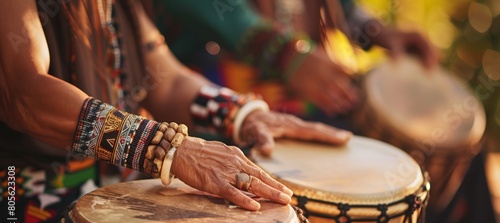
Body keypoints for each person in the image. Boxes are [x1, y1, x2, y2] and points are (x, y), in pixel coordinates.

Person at [0, 0, 354, 223]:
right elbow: (25, 93)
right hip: (29, 200)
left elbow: (164, 77)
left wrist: (244, 115)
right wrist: (169, 148)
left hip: (118, 188)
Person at [150, 0, 438, 119]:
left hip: (309, 104)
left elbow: (342, 9)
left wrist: (375, 32)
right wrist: (286, 55)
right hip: (222, 108)